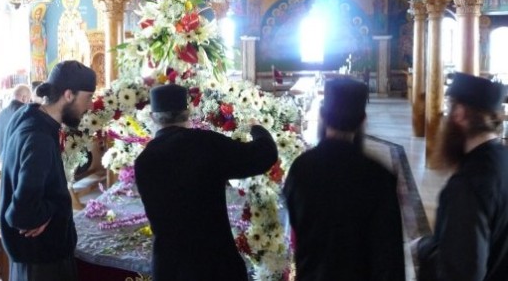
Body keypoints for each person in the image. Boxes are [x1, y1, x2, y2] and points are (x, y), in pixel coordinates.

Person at [134, 84, 278, 281]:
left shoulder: (144, 161)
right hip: (215, 265)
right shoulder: (207, 144)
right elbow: (264, 155)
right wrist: (257, 128)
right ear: (189, 112)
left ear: (152, 117)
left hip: (171, 268)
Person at [283, 78, 405, 281]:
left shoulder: (300, 169)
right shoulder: (379, 177)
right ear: (362, 121)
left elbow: (295, 237)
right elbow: (389, 260)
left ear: (322, 117)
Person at [0, 60, 96, 281]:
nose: (89, 106)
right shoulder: (39, 138)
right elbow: (22, 212)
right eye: (88, 98)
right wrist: (53, 208)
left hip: (32, 258)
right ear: (69, 95)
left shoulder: (28, 116)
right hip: (42, 262)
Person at [416, 72, 508, 281]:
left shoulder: (468, 184)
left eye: (449, 109)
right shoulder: (503, 160)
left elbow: (462, 272)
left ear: (460, 113)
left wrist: (424, 249)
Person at [0, 84, 32, 162]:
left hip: (2, 163)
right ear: (24, 98)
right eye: (29, 100)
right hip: (16, 163)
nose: (29, 103)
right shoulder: (25, 114)